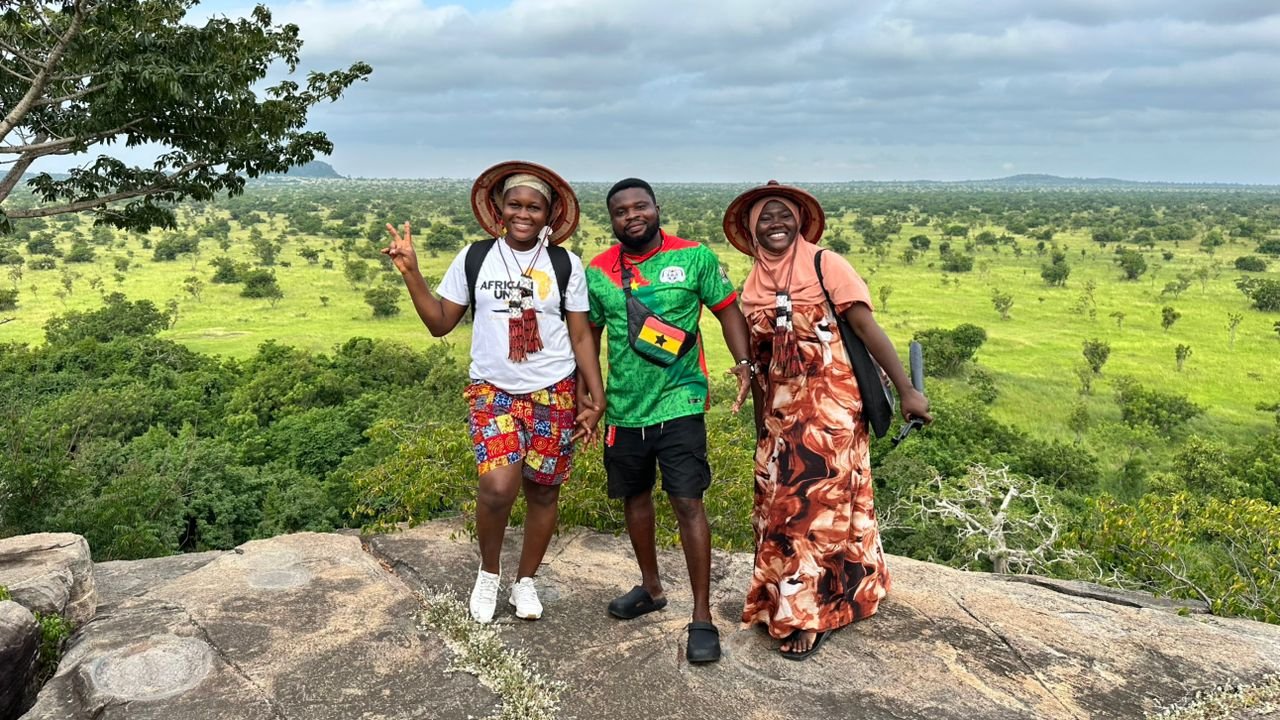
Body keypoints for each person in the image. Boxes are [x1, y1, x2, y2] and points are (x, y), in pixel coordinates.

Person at [383, 160, 606, 624]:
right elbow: (440, 323)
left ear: (549, 214)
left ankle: (525, 581)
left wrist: (595, 395)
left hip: (554, 389)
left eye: (534, 207)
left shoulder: (565, 264)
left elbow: (581, 335)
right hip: (493, 389)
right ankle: (488, 573)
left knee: (543, 490)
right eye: (515, 204)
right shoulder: (475, 257)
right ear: (499, 209)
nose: (523, 214)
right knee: (497, 487)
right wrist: (411, 273)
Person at [723, 180, 932, 661]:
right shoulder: (751, 287)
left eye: (784, 215)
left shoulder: (826, 264)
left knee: (814, 507)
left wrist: (908, 392)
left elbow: (865, 328)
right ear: (751, 229)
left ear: (800, 220)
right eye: (765, 218)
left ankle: (810, 614)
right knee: (779, 505)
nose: (776, 224)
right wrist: (761, 427)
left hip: (832, 406)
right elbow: (762, 366)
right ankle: (828, 595)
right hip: (782, 415)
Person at [585, 178, 752, 664]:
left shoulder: (695, 256)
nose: (632, 216)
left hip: (681, 400)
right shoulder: (598, 271)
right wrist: (589, 396)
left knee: (687, 501)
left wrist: (744, 364)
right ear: (612, 220)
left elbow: (727, 311)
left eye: (640, 206)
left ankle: (702, 616)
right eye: (621, 211)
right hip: (624, 407)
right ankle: (651, 588)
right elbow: (587, 336)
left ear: (657, 208)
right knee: (634, 498)